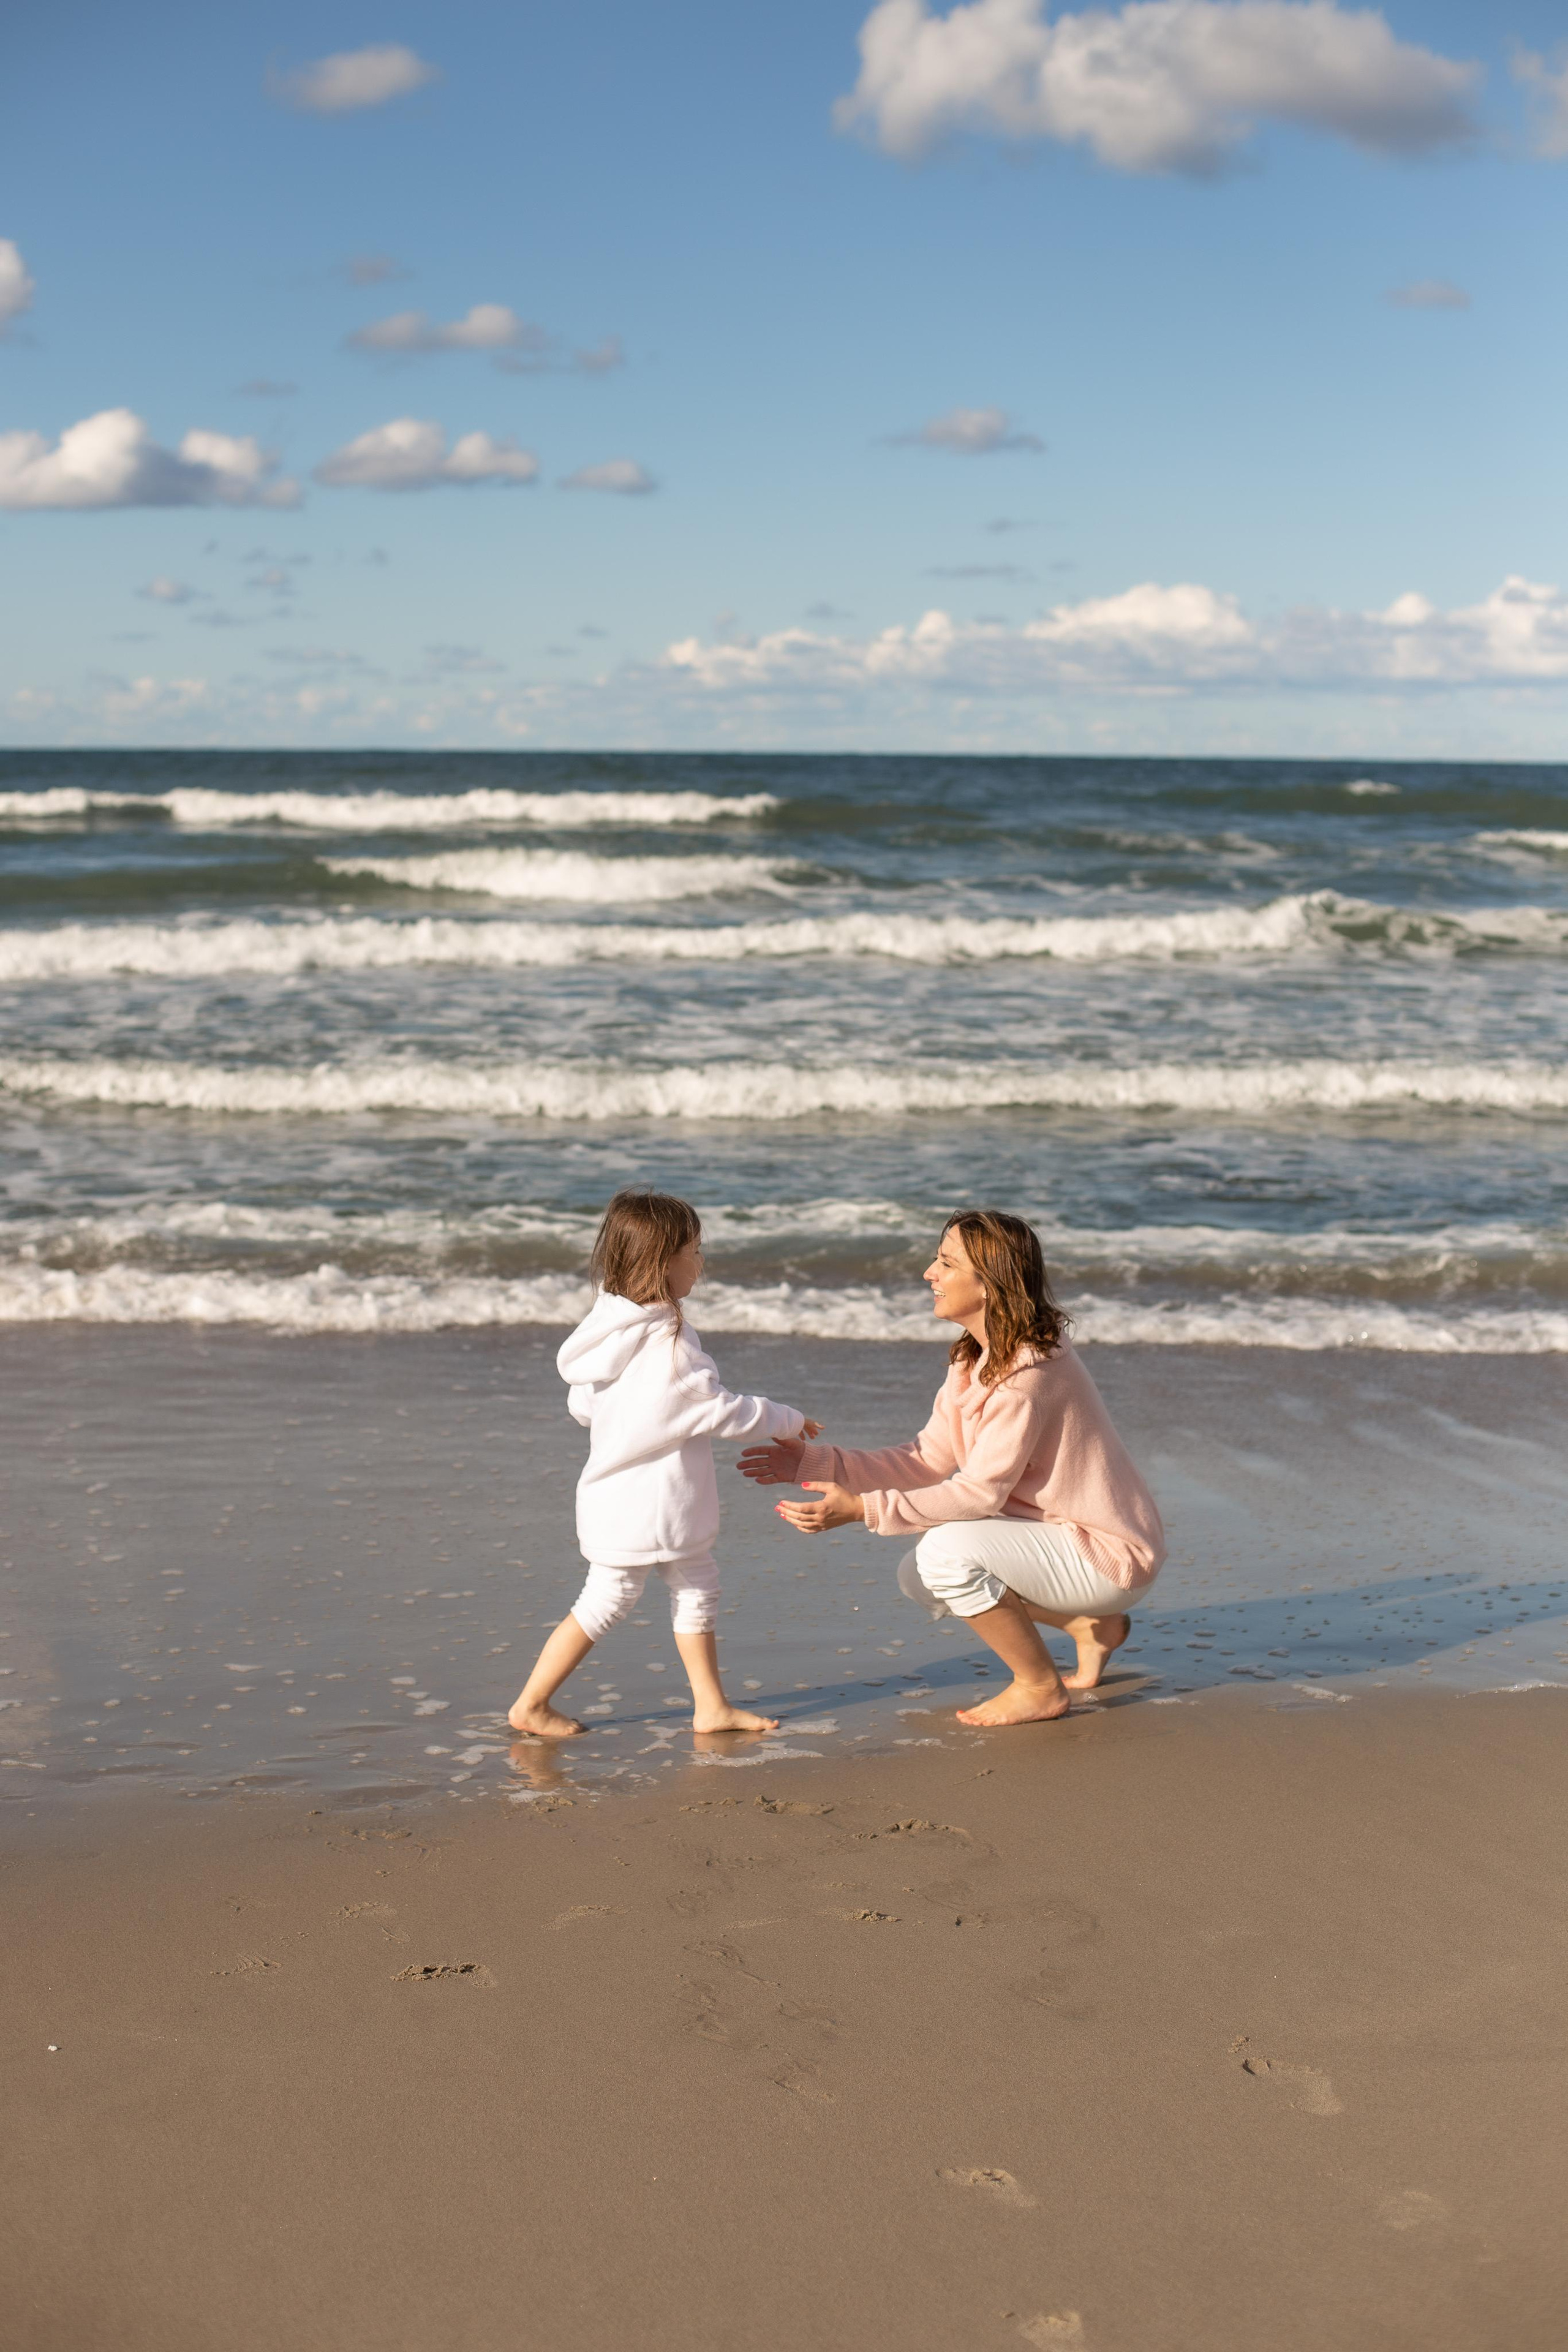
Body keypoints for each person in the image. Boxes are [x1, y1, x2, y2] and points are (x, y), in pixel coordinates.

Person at [739, 1210, 1165, 1730]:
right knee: (919, 1575)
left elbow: (981, 1493)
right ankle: (1086, 1626)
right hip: (1056, 1538)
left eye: (945, 1262)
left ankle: (1040, 1687)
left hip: (1107, 1553)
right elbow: (925, 1459)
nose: (928, 1273)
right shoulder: (976, 1361)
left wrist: (863, 1510)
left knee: (944, 1554)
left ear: (990, 1284)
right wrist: (814, 1462)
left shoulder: (1027, 1380)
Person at [508, 1187, 821, 1740]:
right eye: (694, 1251)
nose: (702, 1263)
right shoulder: (669, 1345)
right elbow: (722, 1410)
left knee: (696, 1582)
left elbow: (583, 1406)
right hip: (654, 1504)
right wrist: (788, 1419)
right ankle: (532, 1704)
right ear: (662, 1264)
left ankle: (711, 1706)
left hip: (615, 1494)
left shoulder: (605, 1332)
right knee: (609, 1600)